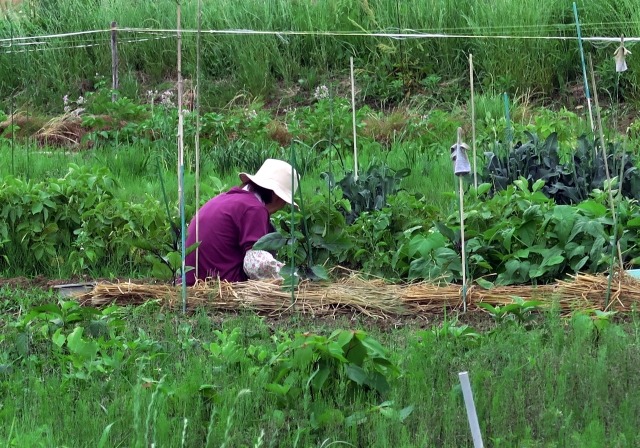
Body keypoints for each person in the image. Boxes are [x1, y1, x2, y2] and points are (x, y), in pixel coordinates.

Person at [184, 159, 298, 285]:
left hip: (193, 283)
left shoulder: (225, 199)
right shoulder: (254, 209)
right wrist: (293, 276)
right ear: (277, 196)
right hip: (223, 285)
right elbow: (255, 264)